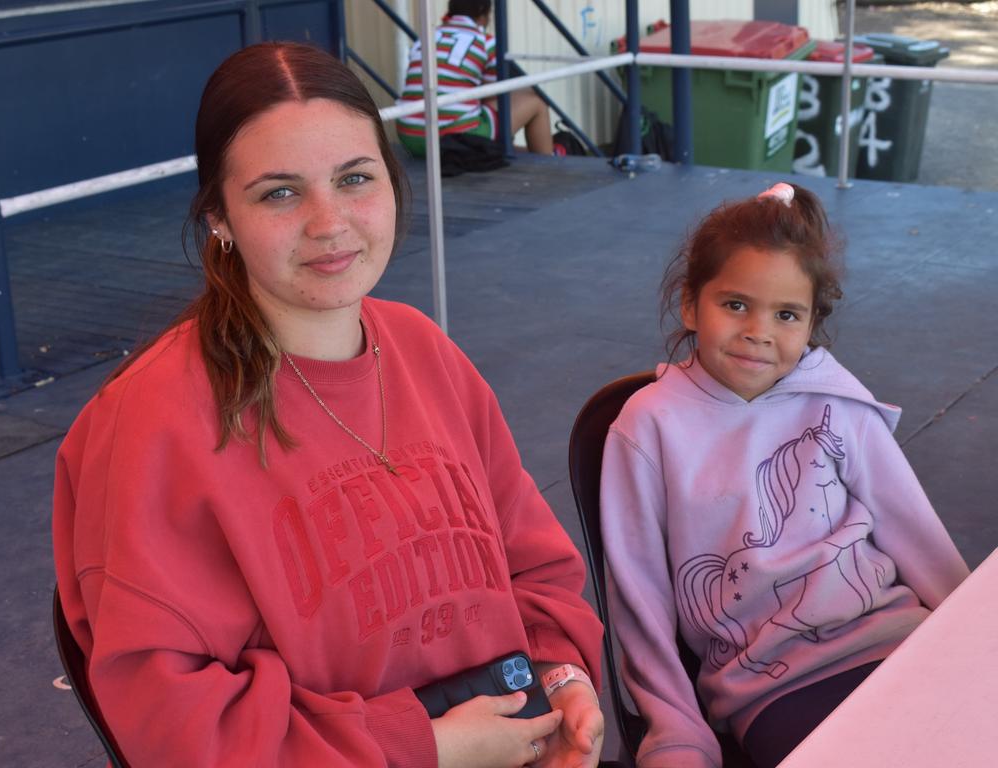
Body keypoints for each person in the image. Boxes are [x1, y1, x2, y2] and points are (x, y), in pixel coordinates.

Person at [52, 41, 604, 768]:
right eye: (279, 192)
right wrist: (420, 747)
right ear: (218, 214)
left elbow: (537, 572)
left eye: (354, 179)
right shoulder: (152, 421)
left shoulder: (423, 349)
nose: (329, 221)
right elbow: (174, 724)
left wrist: (561, 678)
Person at [599, 182, 970, 768]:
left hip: (901, 642)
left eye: (786, 314)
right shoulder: (647, 427)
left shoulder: (838, 405)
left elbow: (914, 531)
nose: (759, 332)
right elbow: (638, 595)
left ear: (811, 323)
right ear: (690, 304)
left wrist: (971, 635)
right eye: (736, 304)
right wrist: (674, 730)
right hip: (772, 688)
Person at [397, 0, 554, 156]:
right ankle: (550, 163)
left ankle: (518, 150)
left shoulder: (425, 38)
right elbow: (495, 94)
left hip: (410, 136)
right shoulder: (486, 42)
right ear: (482, 12)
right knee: (536, 100)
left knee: (479, 105)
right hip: (452, 140)